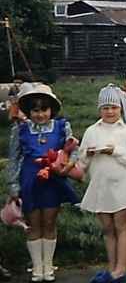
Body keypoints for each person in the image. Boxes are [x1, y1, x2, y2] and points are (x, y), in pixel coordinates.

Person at [7, 83, 79, 282]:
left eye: (44, 110)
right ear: (29, 111)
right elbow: (13, 158)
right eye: (35, 110)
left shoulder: (61, 126)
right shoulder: (20, 129)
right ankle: (37, 266)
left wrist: (67, 164)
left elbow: (73, 149)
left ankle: (48, 265)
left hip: (52, 179)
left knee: (49, 221)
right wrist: (13, 185)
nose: (40, 115)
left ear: (51, 110)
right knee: (33, 223)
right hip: (29, 179)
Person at [79, 84, 126, 283]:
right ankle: (111, 266)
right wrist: (87, 153)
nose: (109, 111)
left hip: (121, 186)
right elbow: (82, 162)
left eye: (114, 107)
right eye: (105, 108)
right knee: (107, 228)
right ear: (100, 109)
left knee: (121, 226)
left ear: (121, 109)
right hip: (100, 186)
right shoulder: (92, 130)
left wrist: (114, 151)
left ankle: (121, 269)